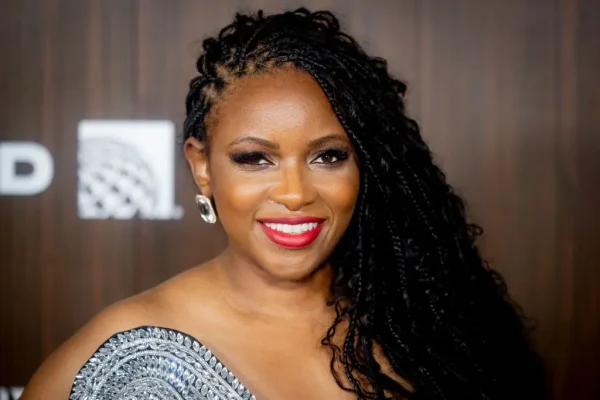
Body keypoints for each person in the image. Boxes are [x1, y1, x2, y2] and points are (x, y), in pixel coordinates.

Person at [21, 7, 549, 400]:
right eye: (255, 159)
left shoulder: (425, 325)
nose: (295, 194)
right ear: (202, 166)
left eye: (328, 156)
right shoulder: (127, 357)